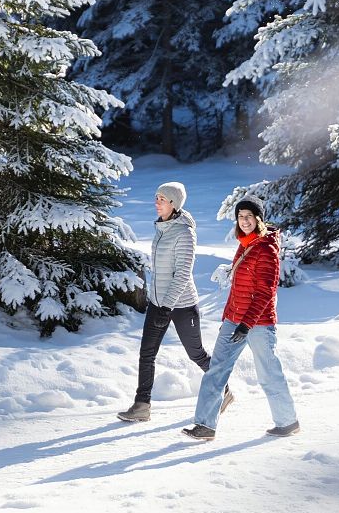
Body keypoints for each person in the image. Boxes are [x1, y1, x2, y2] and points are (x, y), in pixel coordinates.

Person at [183, 194, 299, 441]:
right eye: (240, 216)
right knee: (216, 370)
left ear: (259, 219)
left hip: (258, 324)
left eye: (249, 216)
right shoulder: (245, 244)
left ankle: (287, 421)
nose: (244, 220)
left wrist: (246, 325)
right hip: (233, 319)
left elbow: (266, 291)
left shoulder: (266, 248)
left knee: (268, 373)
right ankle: (205, 426)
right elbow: (244, 285)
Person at [118, 182, 233, 422]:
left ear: (174, 203)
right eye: (156, 197)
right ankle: (142, 405)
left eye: (162, 198)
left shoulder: (184, 232)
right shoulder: (161, 228)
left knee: (197, 354)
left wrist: (167, 306)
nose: (157, 202)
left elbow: (182, 274)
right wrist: (156, 301)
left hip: (182, 305)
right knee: (146, 353)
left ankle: (224, 391)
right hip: (157, 302)